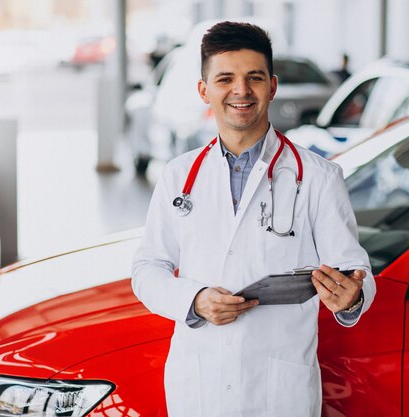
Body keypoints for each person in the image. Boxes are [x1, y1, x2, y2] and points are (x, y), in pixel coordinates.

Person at [132, 21, 375, 417]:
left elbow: (354, 272)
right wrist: (192, 300)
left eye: (254, 77)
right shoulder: (179, 175)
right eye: (225, 78)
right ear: (203, 90)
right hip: (200, 386)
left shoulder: (318, 177)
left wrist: (352, 299)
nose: (241, 90)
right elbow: (147, 268)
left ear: (272, 86)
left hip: (279, 393)